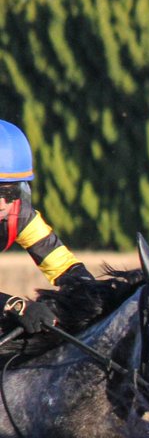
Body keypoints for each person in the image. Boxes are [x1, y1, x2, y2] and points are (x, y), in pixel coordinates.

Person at [0, 118, 90, 334]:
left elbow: (63, 265)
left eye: (10, 192)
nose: (2, 204)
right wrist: (17, 307)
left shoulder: (19, 215)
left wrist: (95, 295)